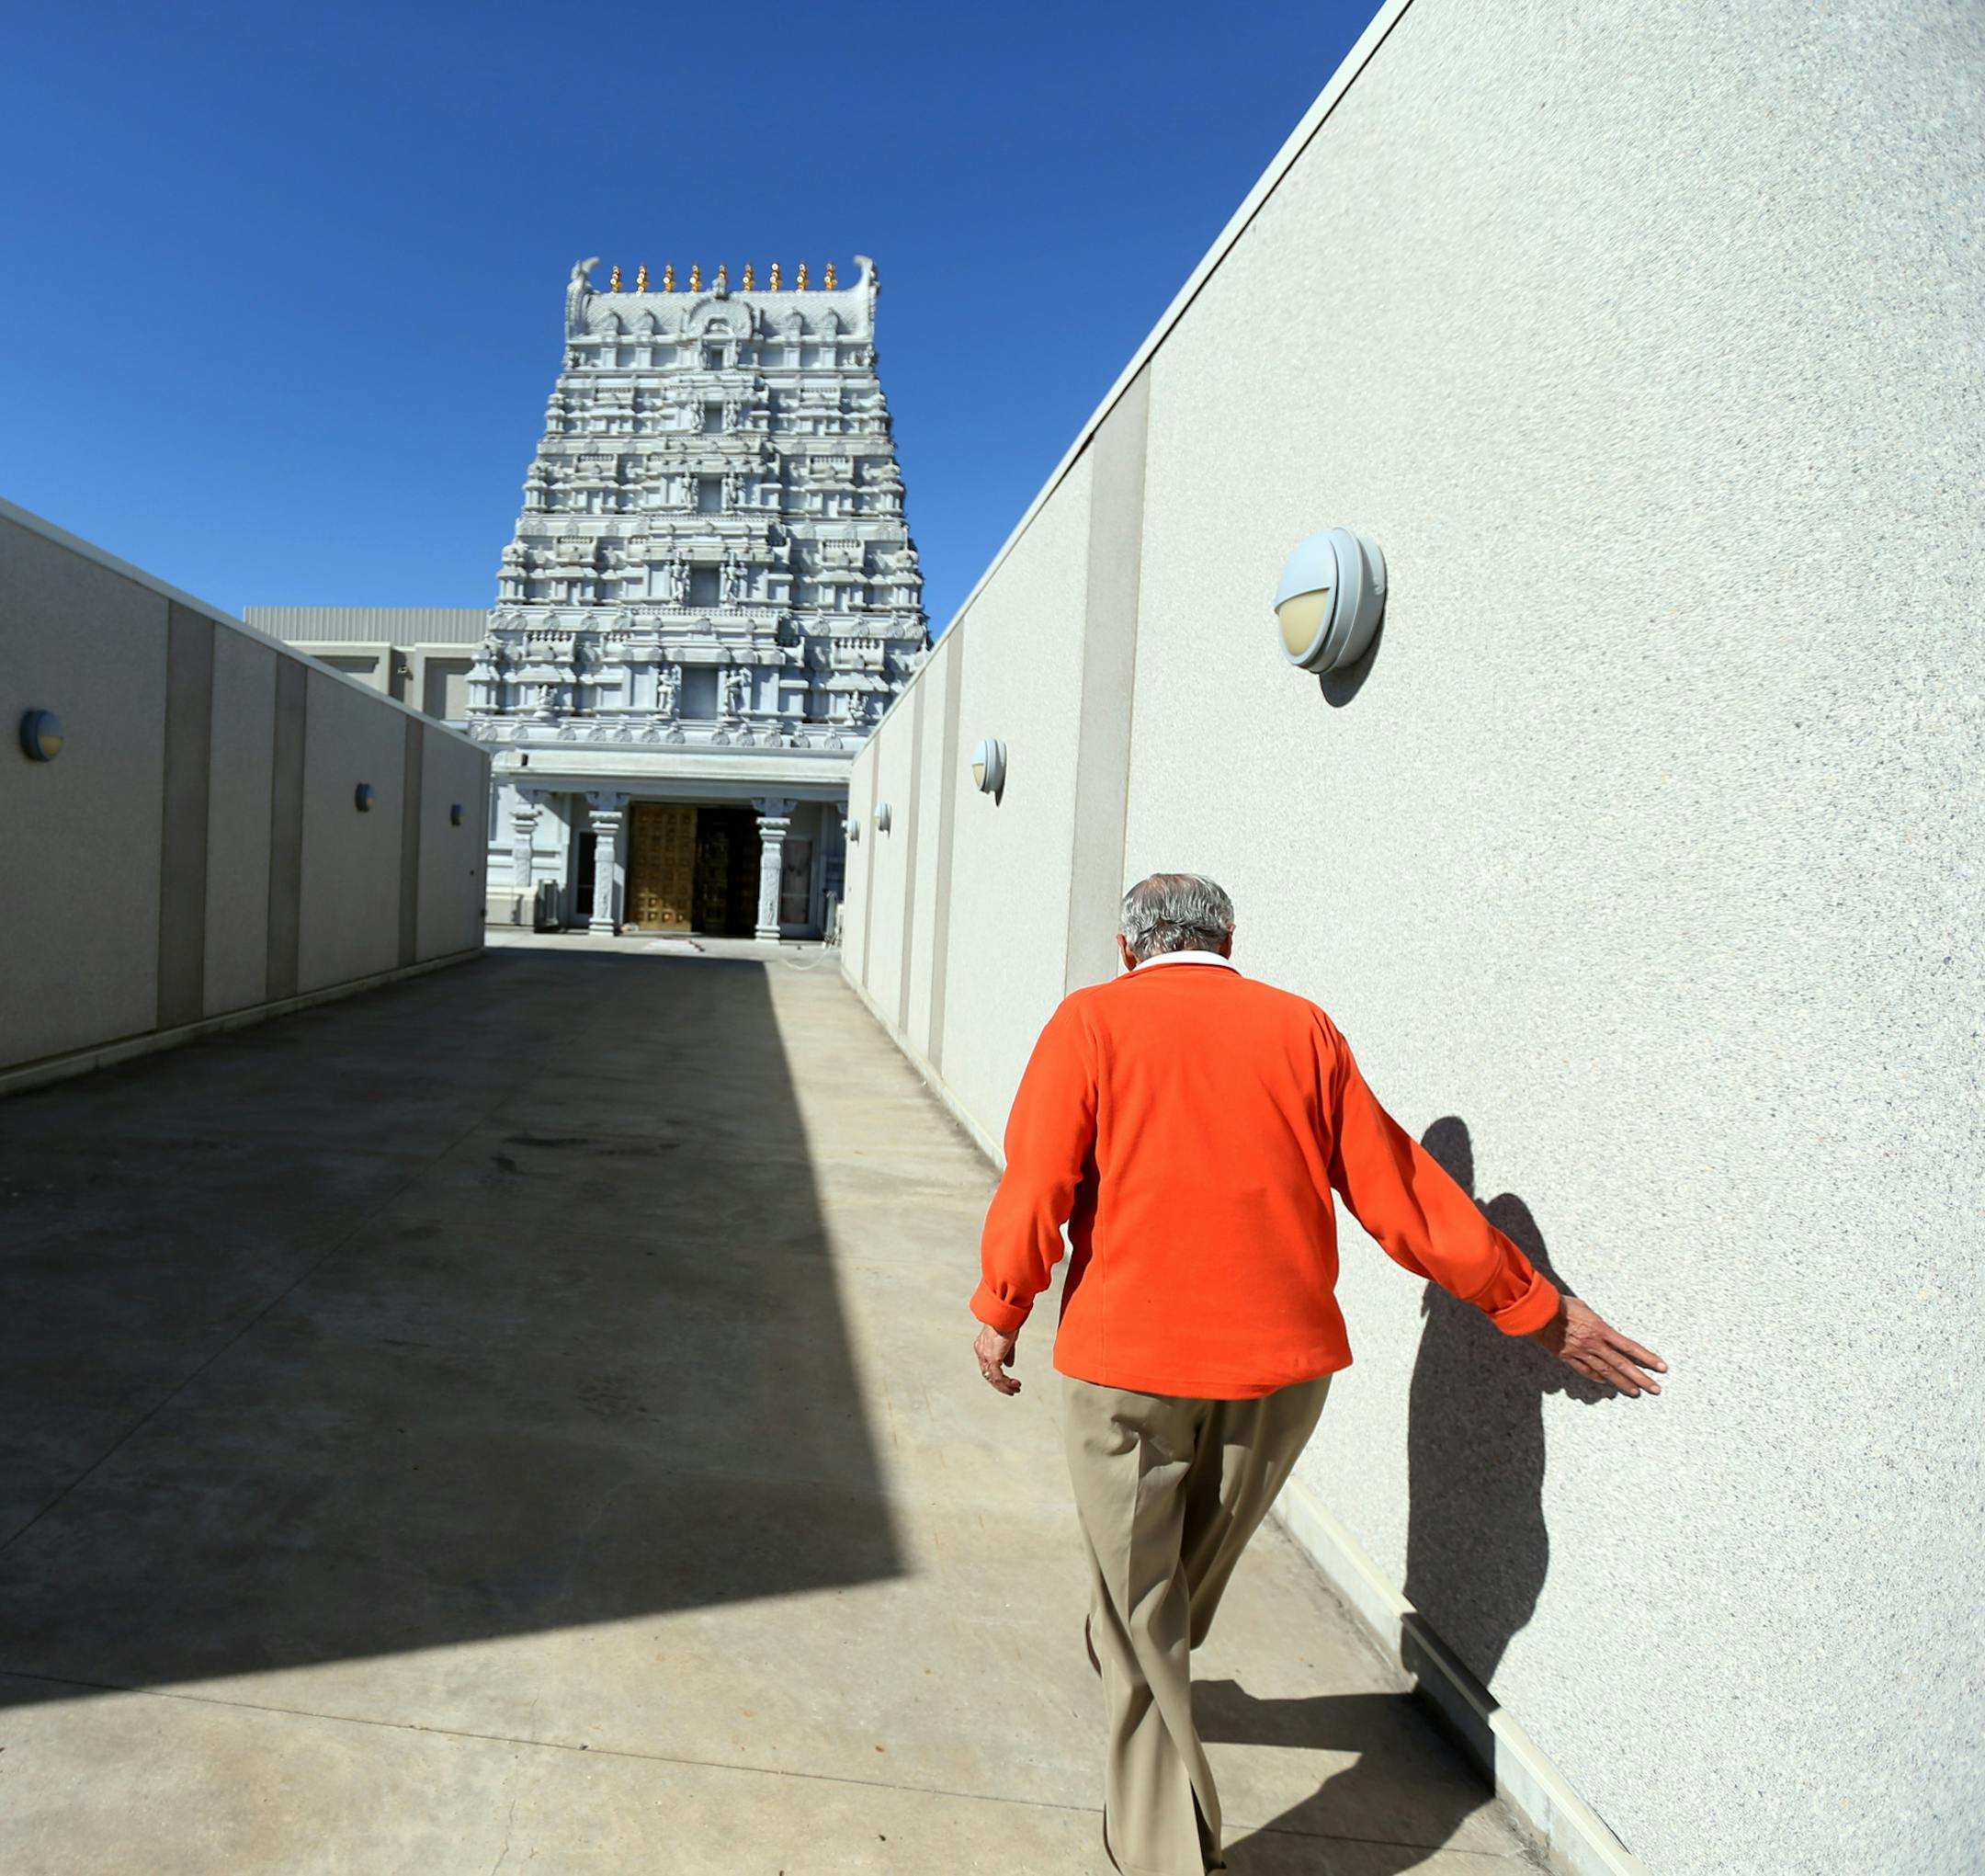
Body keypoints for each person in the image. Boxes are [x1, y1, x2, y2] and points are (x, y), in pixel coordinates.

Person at [970, 873, 1664, 1876]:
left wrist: (1003, 1307)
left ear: (1130, 950)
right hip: (1283, 1377)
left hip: (1127, 1372)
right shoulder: (1303, 1031)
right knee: (1162, 1595)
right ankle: (1138, 1640)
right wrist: (1539, 1311)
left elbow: (1038, 1183)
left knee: (1142, 1615)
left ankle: (1157, 1842)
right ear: (1230, 936)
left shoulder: (1091, 1022)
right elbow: (1408, 1194)